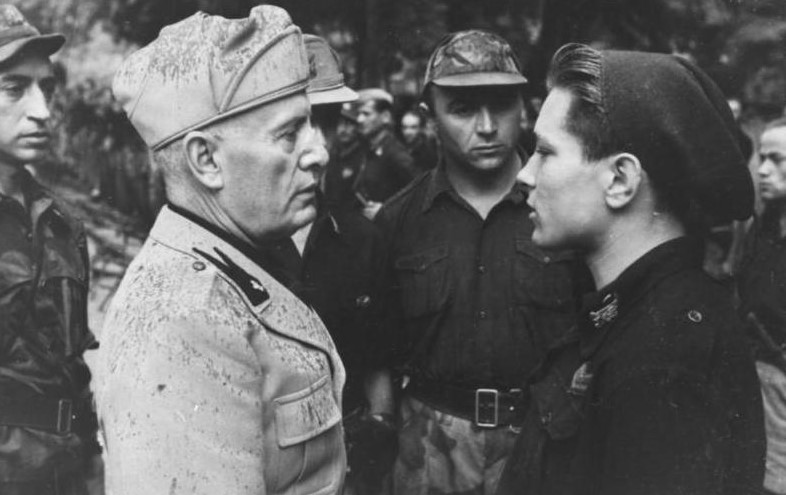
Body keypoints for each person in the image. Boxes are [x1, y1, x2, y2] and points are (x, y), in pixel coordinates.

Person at [94, 7, 346, 495]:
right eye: (289, 134)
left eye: (312, 126)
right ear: (206, 159)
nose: (319, 153)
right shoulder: (181, 318)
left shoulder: (246, 256)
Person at [497, 43, 765, 495]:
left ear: (620, 180)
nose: (525, 175)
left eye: (545, 152)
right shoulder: (644, 317)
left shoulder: (664, 359)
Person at [375, 30, 584, 495]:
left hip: (546, 444)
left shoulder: (569, 209)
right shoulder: (398, 221)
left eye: (502, 105)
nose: (487, 127)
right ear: (430, 117)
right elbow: (379, 353)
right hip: (430, 452)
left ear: (525, 108)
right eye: (463, 109)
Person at [259, 34, 397, 495]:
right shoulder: (232, 244)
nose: (316, 144)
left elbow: (378, 359)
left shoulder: (361, 239)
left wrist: (381, 424)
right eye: (294, 125)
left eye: (328, 122)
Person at [0, 6, 101, 494]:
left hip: (65, 474)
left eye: (47, 89)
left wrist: (94, 470)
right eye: (14, 89)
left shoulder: (62, 223)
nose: (42, 111)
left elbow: (73, 367)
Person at [738, 117, 786, 495]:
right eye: (762, 158)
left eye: (777, 159)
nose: (764, 170)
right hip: (757, 373)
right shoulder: (764, 226)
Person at [354, 88, 416, 219]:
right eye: (359, 114)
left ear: (385, 117)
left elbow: (419, 192)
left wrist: (387, 211)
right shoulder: (371, 148)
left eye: (366, 114)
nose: (359, 119)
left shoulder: (395, 153)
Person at [324, 102, 364, 210]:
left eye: (349, 124)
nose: (343, 129)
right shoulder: (332, 152)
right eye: (340, 123)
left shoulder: (364, 156)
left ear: (358, 127)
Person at [399, 109, 438, 173]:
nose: (408, 132)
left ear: (421, 128)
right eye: (404, 127)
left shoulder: (428, 153)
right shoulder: (401, 148)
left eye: (413, 127)